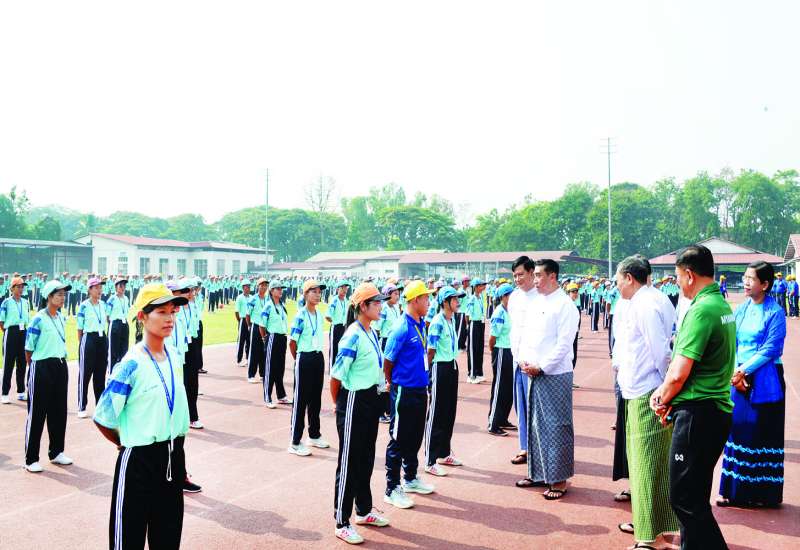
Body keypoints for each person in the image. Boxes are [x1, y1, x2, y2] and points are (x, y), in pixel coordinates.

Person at [649, 244, 735, 550]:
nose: (677, 283)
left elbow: (678, 373)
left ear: (688, 274)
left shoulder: (700, 310)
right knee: (694, 496)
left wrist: (661, 397)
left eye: (676, 277)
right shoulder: (721, 305)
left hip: (699, 414)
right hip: (712, 411)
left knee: (684, 498)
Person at [93, 282, 190, 549]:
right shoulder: (131, 364)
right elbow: (103, 416)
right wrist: (125, 442)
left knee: (168, 538)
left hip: (173, 457)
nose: (169, 318)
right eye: (161, 312)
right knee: (128, 540)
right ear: (142, 316)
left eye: (172, 311)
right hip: (139, 461)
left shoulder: (174, 355)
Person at [613, 256, 679, 548]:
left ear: (629, 278)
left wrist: (665, 389)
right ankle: (655, 531)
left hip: (647, 392)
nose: (616, 286)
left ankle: (651, 538)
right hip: (636, 390)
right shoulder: (644, 301)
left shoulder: (647, 305)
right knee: (647, 465)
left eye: (618, 280)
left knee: (647, 466)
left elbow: (661, 352)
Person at [718, 261, 786, 508]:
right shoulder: (742, 309)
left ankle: (762, 494)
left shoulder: (775, 312)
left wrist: (743, 370)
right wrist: (736, 371)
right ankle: (735, 491)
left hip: (765, 378)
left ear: (765, 284)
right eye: (745, 277)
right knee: (738, 429)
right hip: (739, 376)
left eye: (751, 278)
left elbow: (771, 348)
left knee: (760, 432)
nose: (745, 282)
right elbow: (732, 340)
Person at [330, 283, 390, 544]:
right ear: (363, 307)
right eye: (376, 303)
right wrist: (339, 405)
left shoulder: (371, 332)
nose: (381, 307)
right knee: (350, 461)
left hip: (370, 400)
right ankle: (341, 521)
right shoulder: (352, 335)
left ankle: (363, 511)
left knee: (366, 458)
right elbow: (336, 377)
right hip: (353, 400)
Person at [515, 259, 579, 500]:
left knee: (556, 426)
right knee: (535, 425)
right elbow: (528, 336)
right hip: (532, 372)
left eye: (539, 275)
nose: (535, 280)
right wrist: (523, 360)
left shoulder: (565, 305)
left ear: (553, 277)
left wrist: (542, 367)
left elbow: (564, 344)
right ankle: (538, 473)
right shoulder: (537, 302)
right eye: (535, 276)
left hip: (554, 374)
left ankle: (559, 480)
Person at [383, 280, 436, 509]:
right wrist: (392, 382)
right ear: (415, 300)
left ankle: (411, 478)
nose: (429, 302)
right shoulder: (401, 328)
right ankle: (392, 488)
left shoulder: (421, 323)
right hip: (403, 390)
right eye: (426, 298)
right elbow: (388, 361)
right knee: (399, 439)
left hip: (420, 389)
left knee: (415, 436)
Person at [23, 279, 73, 473]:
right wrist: (35, 368)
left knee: (59, 412)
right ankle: (31, 459)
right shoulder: (38, 319)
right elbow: (29, 348)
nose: (62, 298)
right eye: (59, 294)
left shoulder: (61, 317)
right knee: (37, 413)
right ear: (49, 296)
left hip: (60, 365)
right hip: (42, 366)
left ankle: (56, 452)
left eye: (63, 294)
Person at [424, 285, 465, 477]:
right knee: (436, 413)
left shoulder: (451, 319)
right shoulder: (438, 322)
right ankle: (429, 460)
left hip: (451, 366)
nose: (458, 302)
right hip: (439, 368)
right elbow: (430, 351)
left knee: (449, 412)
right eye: (454, 299)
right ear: (445, 302)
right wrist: (427, 374)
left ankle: (444, 453)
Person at [288, 279, 329, 456]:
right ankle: (295, 442)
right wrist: (300, 359)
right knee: (301, 400)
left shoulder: (319, 315)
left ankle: (314, 435)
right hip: (304, 358)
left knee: (315, 399)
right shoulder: (300, 316)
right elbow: (292, 343)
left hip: (318, 357)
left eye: (319, 292)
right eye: (314, 291)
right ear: (305, 294)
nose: (318, 295)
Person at [509, 256, 537, 467]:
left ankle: (537, 449)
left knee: (535, 408)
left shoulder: (541, 296)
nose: (517, 279)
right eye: (515, 276)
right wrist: (516, 356)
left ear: (531, 273)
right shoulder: (515, 297)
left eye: (521, 274)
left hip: (534, 363)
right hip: (517, 361)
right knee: (520, 406)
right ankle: (524, 447)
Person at [77, 277, 109, 419]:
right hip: (89, 338)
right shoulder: (84, 306)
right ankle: (82, 406)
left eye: (100, 287)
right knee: (85, 374)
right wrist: (82, 344)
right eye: (96, 288)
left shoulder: (103, 304)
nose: (99, 290)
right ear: (89, 290)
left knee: (100, 374)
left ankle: (100, 406)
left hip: (102, 339)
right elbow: (79, 327)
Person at [487, 283, 515, 436]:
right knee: (499, 387)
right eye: (511, 295)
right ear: (504, 297)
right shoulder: (499, 313)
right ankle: (493, 423)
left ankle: (503, 419)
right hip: (501, 351)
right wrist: (494, 351)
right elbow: (492, 338)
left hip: (510, 351)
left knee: (508, 387)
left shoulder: (511, 310)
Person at [260, 281, 291, 408]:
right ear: (272, 291)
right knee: (270, 368)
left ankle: (281, 395)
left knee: (280, 368)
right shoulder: (268, 306)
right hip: (272, 337)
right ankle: (267, 397)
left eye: (281, 289)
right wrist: (265, 338)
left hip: (282, 338)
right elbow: (262, 325)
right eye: (277, 289)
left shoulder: (282, 305)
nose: (280, 291)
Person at [1, 276, 31, 403]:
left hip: (23, 332)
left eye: (22, 287)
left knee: (22, 363)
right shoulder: (6, 302)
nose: (21, 289)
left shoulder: (26, 302)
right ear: (12, 288)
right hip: (11, 332)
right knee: (8, 363)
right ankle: (5, 393)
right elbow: (1, 321)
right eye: (18, 287)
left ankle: (21, 391)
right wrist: (8, 331)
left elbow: (28, 318)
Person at [246, 278, 269, 384]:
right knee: (254, 351)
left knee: (263, 351)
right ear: (258, 286)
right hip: (255, 326)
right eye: (262, 285)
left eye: (265, 285)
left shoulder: (268, 299)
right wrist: (249, 326)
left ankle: (262, 374)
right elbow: (248, 314)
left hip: (265, 327)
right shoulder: (253, 299)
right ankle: (251, 375)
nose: (264, 287)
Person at [106, 278, 130, 374]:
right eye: (121, 286)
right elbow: (107, 315)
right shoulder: (112, 299)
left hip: (124, 324)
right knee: (113, 350)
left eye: (124, 286)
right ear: (116, 287)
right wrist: (113, 324)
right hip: (115, 324)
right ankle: (111, 373)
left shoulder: (126, 298)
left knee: (124, 350)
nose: (123, 288)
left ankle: (121, 373)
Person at [466, 278, 488, 383]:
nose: (483, 287)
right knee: (473, 349)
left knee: (480, 349)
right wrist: (469, 325)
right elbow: (467, 314)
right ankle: (471, 375)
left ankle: (479, 373)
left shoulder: (480, 297)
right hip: (474, 324)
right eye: (480, 285)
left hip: (481, 324)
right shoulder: (472, 298)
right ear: (475, 287)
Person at [325, 281, 350, 369]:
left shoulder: (346, 301)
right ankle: (332, 369)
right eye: (342, 288)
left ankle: (338, 368)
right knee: (334, 349)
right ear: (338, 289)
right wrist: (335, 322)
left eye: (346, 288)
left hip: (343, 327)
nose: (345, 290)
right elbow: (327, 315)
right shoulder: (334, 300)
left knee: (341, 348)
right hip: (335, 327)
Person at [234, 280, 252, 366]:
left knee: (249, 340)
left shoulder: (252, 297)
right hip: (243, 320)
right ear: (243, 288)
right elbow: (236, 312)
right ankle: (239, 360)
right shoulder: (239, 298)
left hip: (250, 321)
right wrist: (240, 320)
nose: (248, 288)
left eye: (249, 286)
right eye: (246, 287)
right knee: (241, 340)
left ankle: (248, 358)